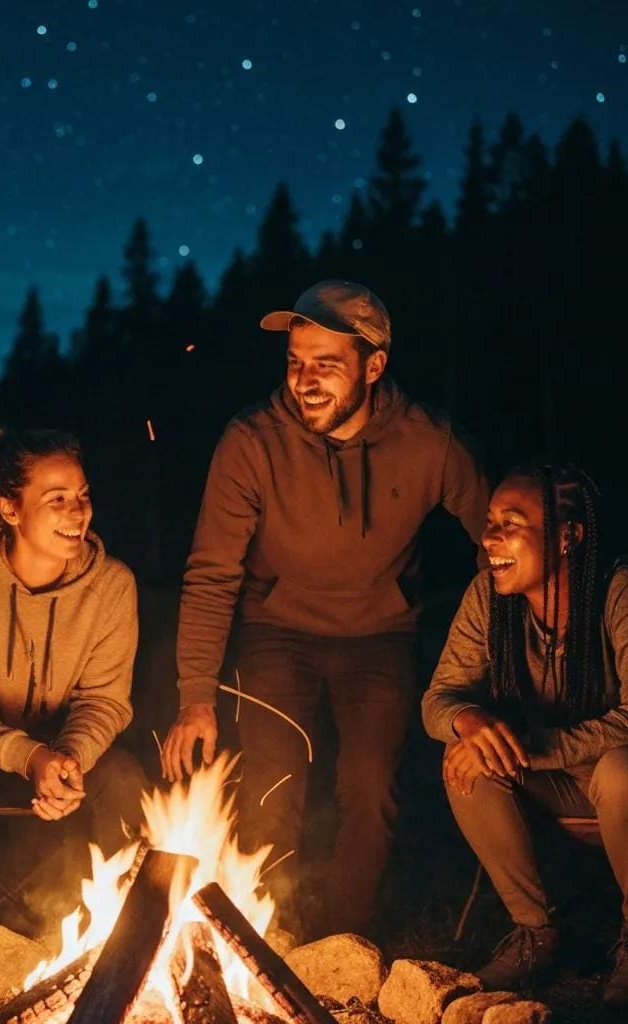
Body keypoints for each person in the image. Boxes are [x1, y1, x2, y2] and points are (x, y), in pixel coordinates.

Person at [160, 279, 490, 937]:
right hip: (277, 630)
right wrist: (197, 697)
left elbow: (507, 543)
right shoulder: (252, 441)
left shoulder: (430, 443)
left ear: (374, 366)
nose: (304, 381)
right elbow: (210, 573)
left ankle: (343, 943)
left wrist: (496, 658)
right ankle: (261, 937)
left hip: (381, 636)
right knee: (271, 787)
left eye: (326, 365)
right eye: (294, 361)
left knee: (369, 788)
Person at [0, 425, 146, 948]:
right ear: (9, 509)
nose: (77, 512)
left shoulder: (111, 586)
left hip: (55, 760)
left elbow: (105, 699)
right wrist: (29, 755)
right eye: (56, 499)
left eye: (82, 496)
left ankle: (131, 934)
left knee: (123, 775)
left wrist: (68, 759)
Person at [423, 464, 628, 1006]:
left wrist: (530, 750)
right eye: (489, 521)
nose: (490, 537)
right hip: (558, 785)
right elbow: (438, 697)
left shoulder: (615, 592)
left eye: (510, 523)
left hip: (617, 781)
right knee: (464, 755)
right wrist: (468, 721)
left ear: (567, 536)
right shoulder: (489, 599)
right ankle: (536, 933)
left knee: (621, 770)